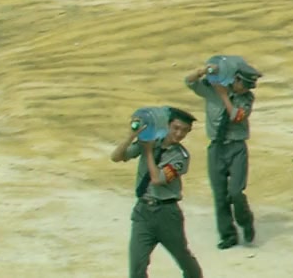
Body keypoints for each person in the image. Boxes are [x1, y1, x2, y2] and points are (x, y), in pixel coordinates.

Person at [109, 107, 204, 278]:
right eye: (176, 128)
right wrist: (131, 136)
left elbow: (157, 179)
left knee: (183, 258)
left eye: (184, 130)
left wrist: (148, 152)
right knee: (137, 267)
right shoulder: (150, 142)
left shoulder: (180, 156)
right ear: (167, 126)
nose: (179, 134)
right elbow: (116, 157)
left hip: (167, 214)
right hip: (143, 212)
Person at [185, 61, 261, 249]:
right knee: (220, 194)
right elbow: (189, 81)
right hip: (216, 148)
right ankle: (228, 234)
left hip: (237, 147)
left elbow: (237, 116)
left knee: (235, 192)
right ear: (235, 79)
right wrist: (203, 70)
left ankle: (245, 221)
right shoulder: (211, 90)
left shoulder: (246, 98)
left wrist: (224, 96)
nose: (247, 88)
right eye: (244, 84)